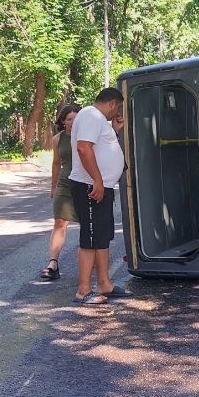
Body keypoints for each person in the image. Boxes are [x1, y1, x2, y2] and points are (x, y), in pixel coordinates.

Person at [68, 87, 127, 305]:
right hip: (89, 186)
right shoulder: (91, 115)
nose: (117, 112)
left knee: (101, 237)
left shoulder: (99, 120)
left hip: (101, 185)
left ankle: (105, 284)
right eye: (118, 107)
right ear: (112, 103)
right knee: (91, 238)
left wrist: (116, 130)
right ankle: (83, 290)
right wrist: (97, 179)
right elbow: (84, 148)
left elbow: (103, 148)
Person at [40, 103, 80, 281]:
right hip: (65, 183)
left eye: (76, 118)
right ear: (63, 121)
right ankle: (52, 263)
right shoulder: (58, 139)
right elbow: (56, 163)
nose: (73, 122)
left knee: (88, 225)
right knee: (59, 223)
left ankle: (91, 263)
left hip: (84, 183)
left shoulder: (88, 136)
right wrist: (53, 186)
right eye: (69, 119)